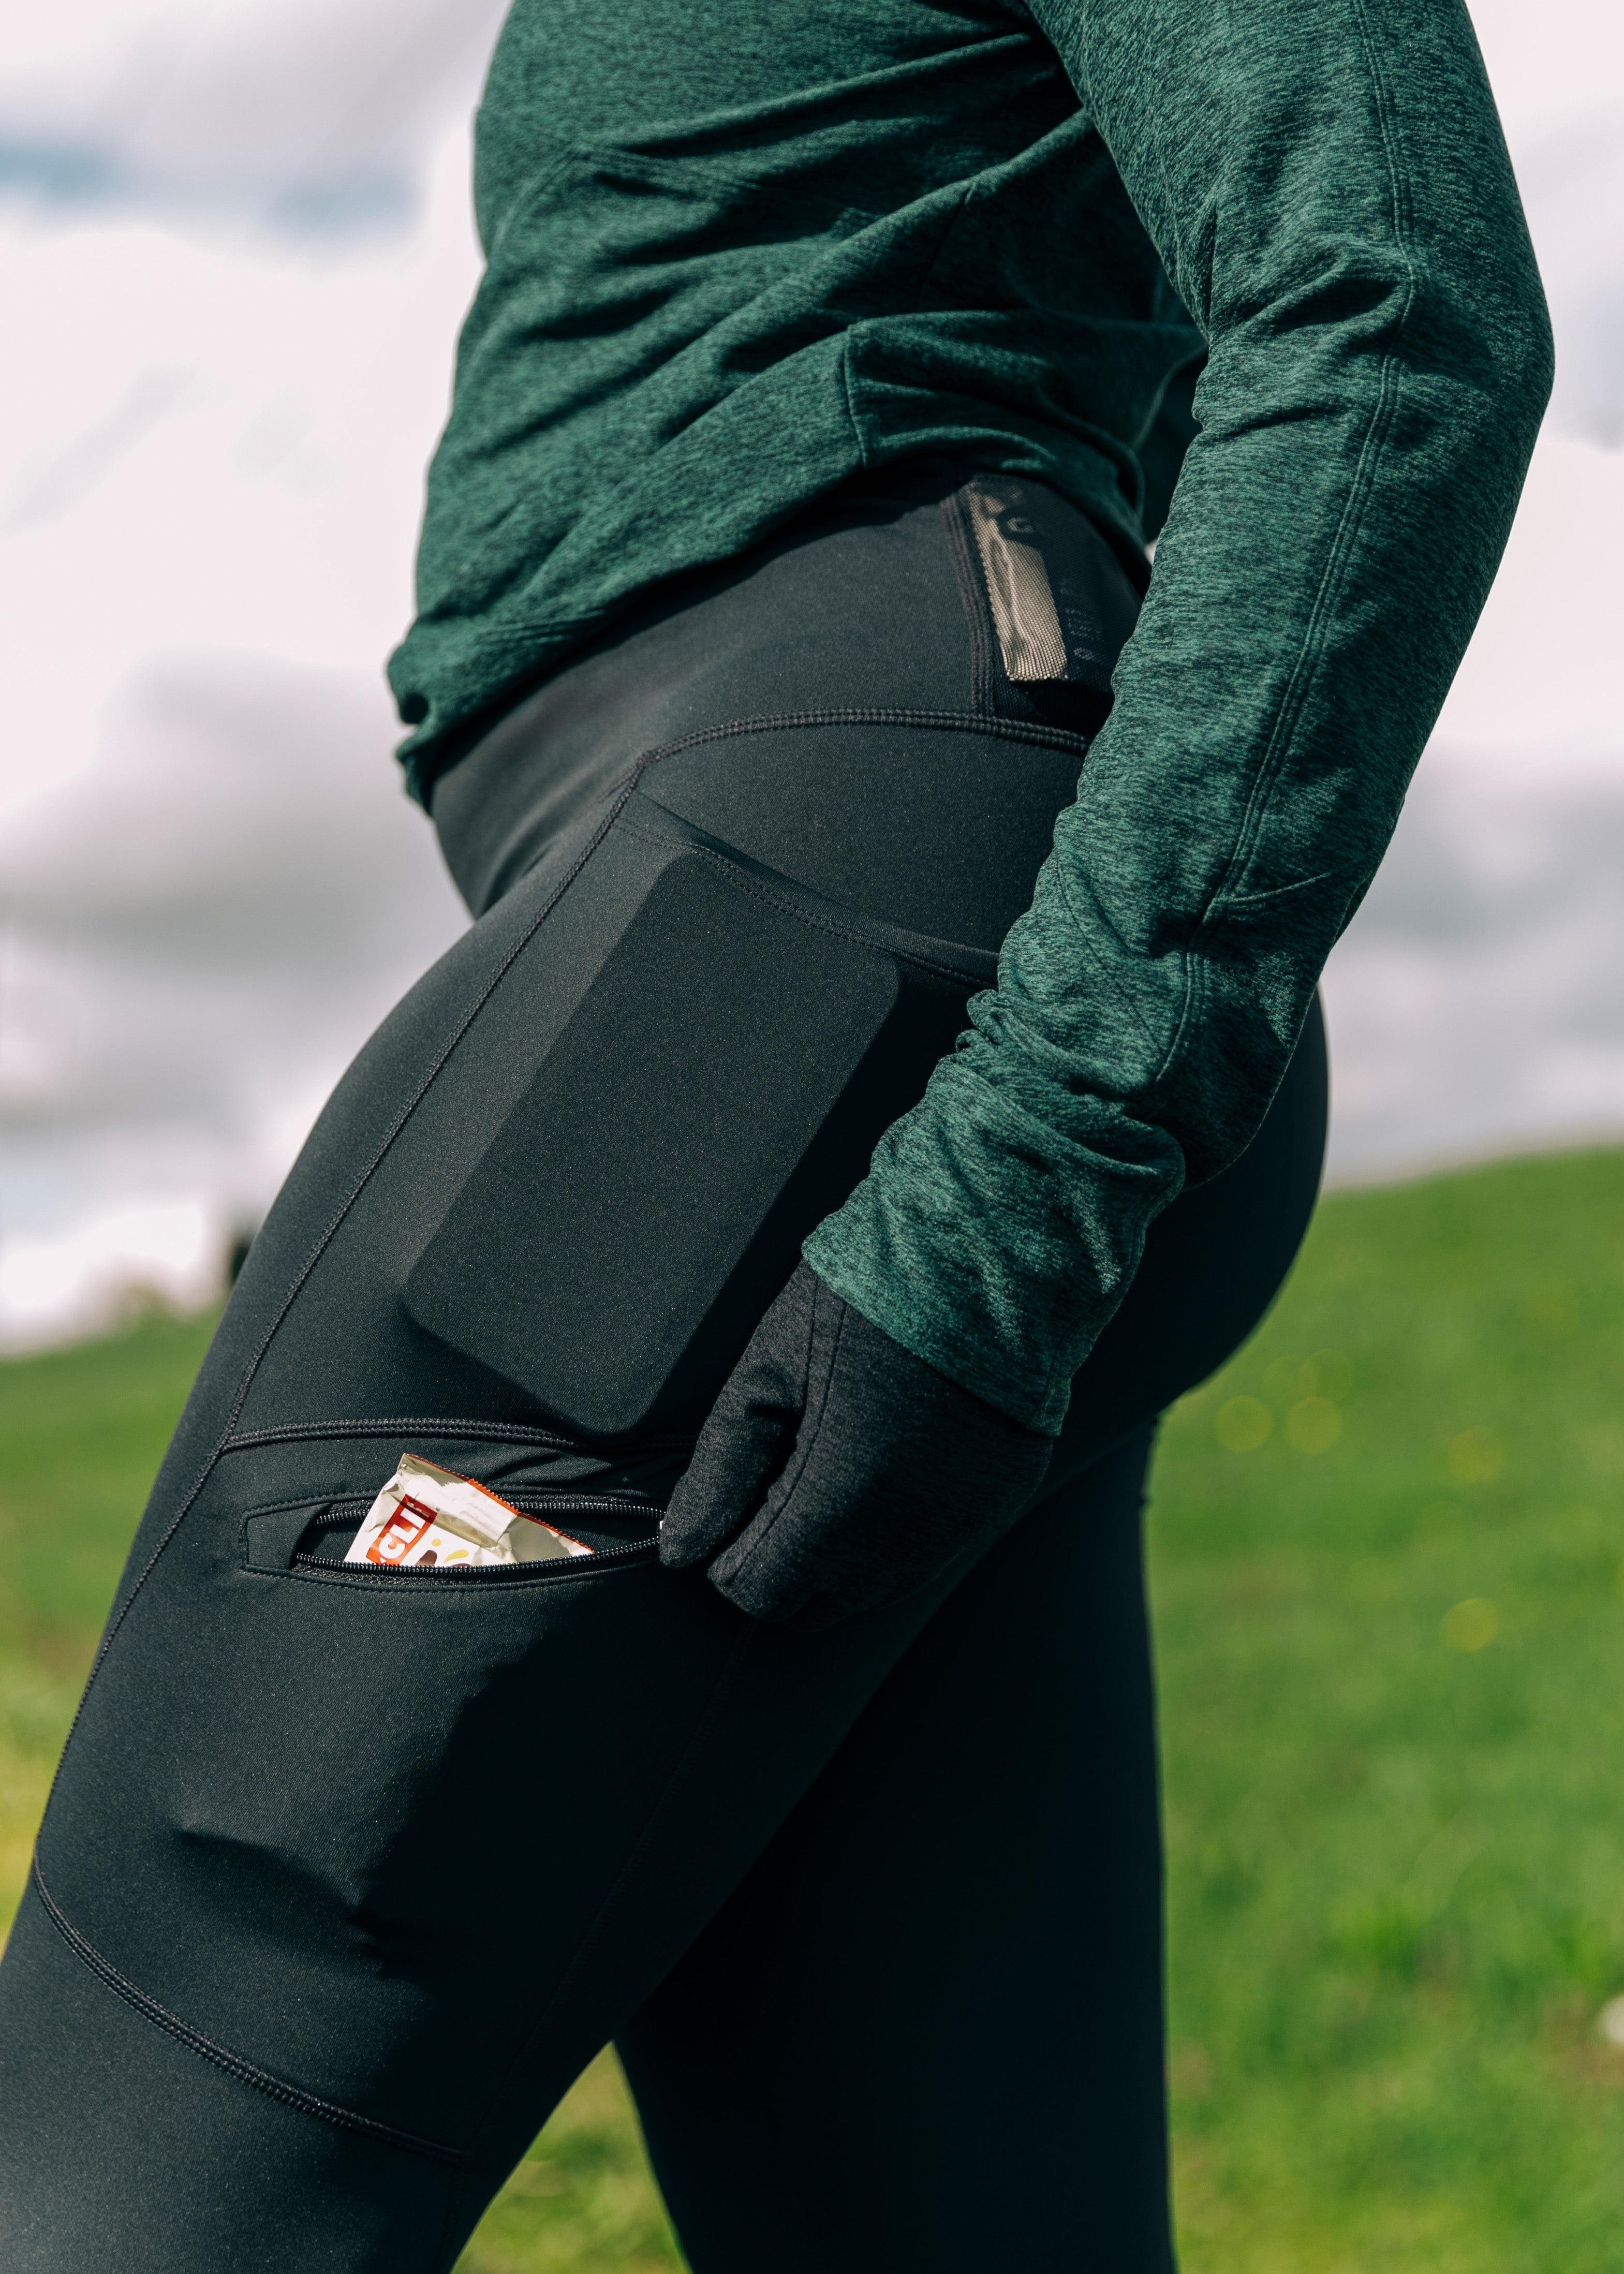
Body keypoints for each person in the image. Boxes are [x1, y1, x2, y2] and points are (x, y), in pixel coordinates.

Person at [0, 0, 1549, 2266]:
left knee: (138, 2153)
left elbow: (1391, 294)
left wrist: (1009, 1181)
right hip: (822, 947)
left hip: (787, 969)